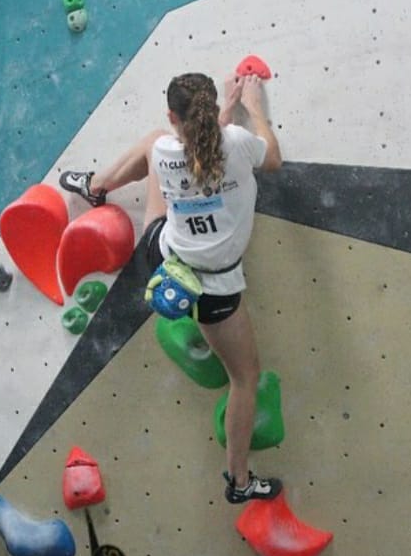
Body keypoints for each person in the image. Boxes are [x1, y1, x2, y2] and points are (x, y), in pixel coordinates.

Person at [59, 72, 284, 503]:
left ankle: (95, 186)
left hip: (165, 259)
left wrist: (222, 113)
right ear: (211, 111)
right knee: (245, 378)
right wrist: (252, 108)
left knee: (150, 142)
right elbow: (271, 158)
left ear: (173, 116)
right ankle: (238, 481)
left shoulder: (165, 151)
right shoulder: (238, 144)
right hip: (215, 291)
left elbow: (198, 149)